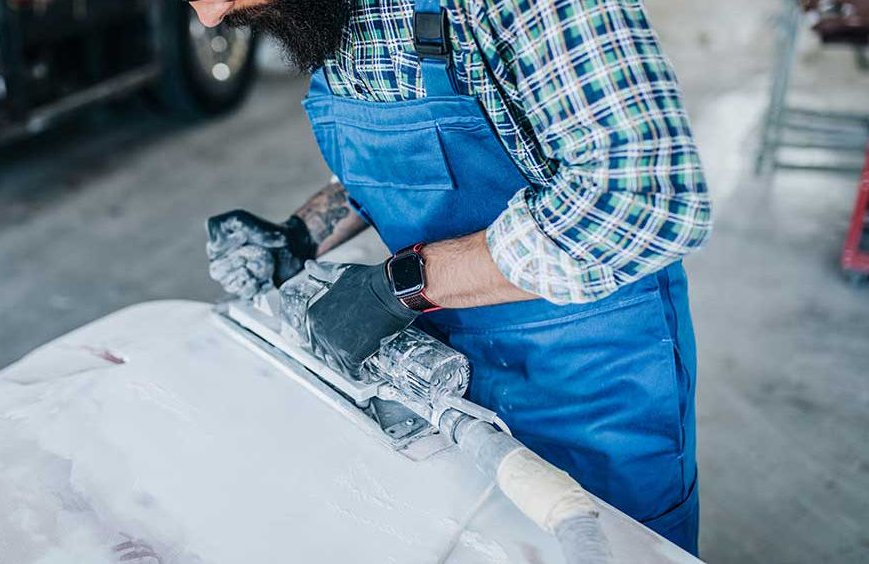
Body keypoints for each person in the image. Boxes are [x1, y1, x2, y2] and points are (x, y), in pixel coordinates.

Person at [191, 0, 711, 554]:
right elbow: (408, 165)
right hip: (437, 375)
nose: (211, 17)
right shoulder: (323, 12)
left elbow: (642, 203)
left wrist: (402, 287)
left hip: (589, 380)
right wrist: (301, 234)